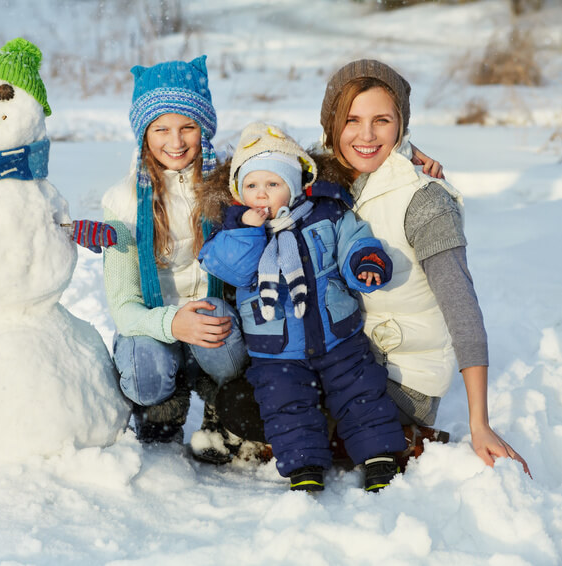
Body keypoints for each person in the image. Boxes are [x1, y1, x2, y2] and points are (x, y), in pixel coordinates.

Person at [310, 59, 529, 474]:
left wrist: (479, 423)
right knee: (258, 390)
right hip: (347, 359)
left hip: (401, 377)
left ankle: (398, 436)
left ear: (401, 126)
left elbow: (461, 307)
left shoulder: (424, 201)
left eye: (383, 121)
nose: (367, 135)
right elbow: (261, 169)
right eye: (352, 120)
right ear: (331, 125)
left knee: (292, 416)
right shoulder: (325, 182)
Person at [197, 122, 406, 491]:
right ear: (237, 191)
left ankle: (378, 458)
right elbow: (234, 268)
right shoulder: (232, 231)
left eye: (273, 184)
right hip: (276, 347)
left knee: (361, 392)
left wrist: (366, 262)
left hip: (337, 333)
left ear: (294, 185)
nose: (261, 194)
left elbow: (354, 240)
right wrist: (248, 229)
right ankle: (303, 466)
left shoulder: (326, 214)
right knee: (286, 405)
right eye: (251, 186)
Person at [101, 56, 249, 456]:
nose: (176, 141)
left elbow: (291, 171)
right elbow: (123, 308)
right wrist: (173, 323)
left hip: (213, 323)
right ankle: (162, 408)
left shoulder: (230, 186)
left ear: (205, 129)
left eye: (188, 126)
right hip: (155, 325)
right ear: (143, 134)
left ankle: (222, 408)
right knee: (142, 365)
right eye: (160, 128)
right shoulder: (123, 201)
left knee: (214, 317)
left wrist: (400, 153)